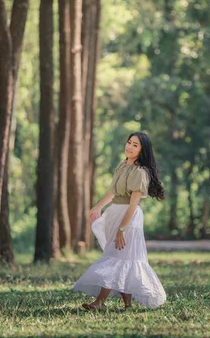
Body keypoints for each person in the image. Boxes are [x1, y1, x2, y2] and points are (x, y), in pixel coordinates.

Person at [73, 132, 167, 310]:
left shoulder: (140, 172)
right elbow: (113, 192)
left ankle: (100, 302)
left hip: (128, 217)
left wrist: (122, 229)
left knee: (117, 257)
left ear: (142, 150)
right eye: (129, 142)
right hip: (114, 213)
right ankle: (128, 304)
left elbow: (133, 204)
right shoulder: (123, 165)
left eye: (135, 145)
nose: (129, 147)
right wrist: (98, 206)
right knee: (124, 258)